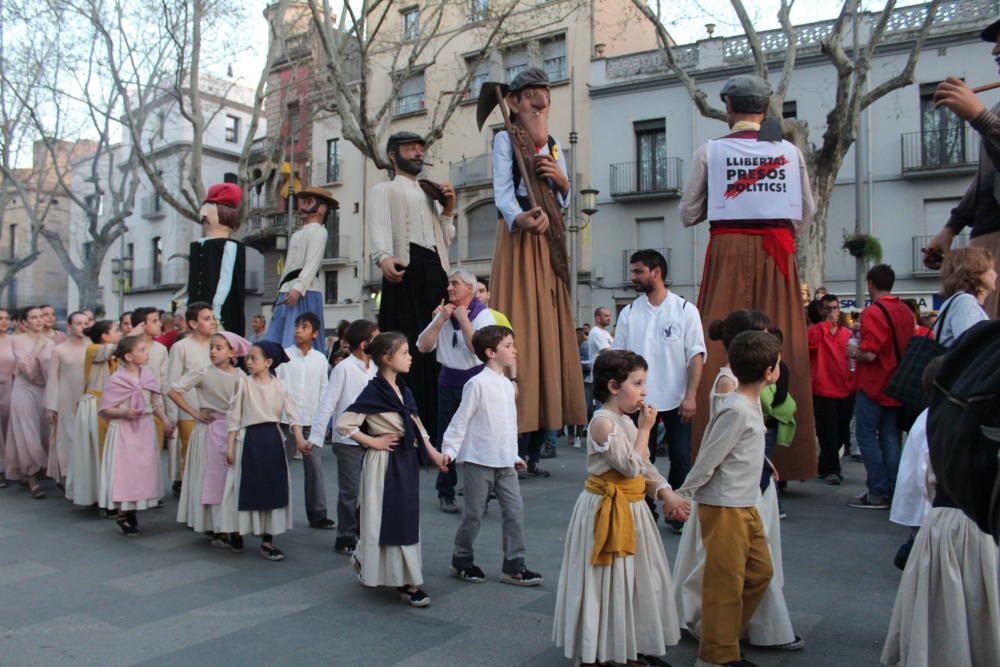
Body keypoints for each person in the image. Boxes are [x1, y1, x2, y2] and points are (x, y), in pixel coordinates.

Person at [680, 74, 817, 483]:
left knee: (720, 343)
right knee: (782, 343)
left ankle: (714, 449)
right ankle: (786, 461)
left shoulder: (710, 150)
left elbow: (688, 213)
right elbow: (805, 212)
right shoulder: (789, 152)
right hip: (777, 251)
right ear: (765, 107)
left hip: (727, 247)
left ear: (728, 107)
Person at [674, 311, 804, 655]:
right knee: (726, 583)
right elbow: (709, 456)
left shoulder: (745, 404)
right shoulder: (735, 407)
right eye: (777, 363)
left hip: (745, 502)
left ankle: (717, 631)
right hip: (726, 505)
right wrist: (681, 496)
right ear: (768, 373)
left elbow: (737, 447)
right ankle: (718, 653)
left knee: (758, 574)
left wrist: (762, 459)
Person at [552, 349, 687, 666]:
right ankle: (599, 650)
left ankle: (629, 644)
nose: (644, 391)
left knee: (635, 577)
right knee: (606, 577)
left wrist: (666, 494)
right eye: (638, 383)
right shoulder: (603, 423)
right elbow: (629, 466)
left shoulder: (625, 420)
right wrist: (645, 430)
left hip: (632, 508)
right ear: (614, 386)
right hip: (606, 510)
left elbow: (645, 467)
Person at [488, 67, 586, 473]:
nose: (538, 101)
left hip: (549, 242)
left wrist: (563, 183)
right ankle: (511, 446)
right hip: (520, 240)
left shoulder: (556, 144)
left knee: (546, 335)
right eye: (530, 95)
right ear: (513, 101)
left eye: (543, 94)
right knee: (520, 332)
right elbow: (502, 192)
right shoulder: (503, 139)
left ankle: (531, 449)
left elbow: (564, 199)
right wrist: (520, 218)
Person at [882, 364, 1000, 667]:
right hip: (971, 522)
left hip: (944, 521)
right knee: (972, 600)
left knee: (941, 602)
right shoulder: (974, 426)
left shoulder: (939, 422)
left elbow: (928, 480)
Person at [336, 333, 448, 607]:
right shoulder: (374, 391)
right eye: (405, 353)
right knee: (386, 519)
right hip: (383, 463)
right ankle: (407, 582)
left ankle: (373, 562)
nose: (410, 357)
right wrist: (373, 440)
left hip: (405, 461)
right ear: (387, 358)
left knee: (403, 517)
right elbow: (344, 424)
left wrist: (432, 452)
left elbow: (417, 425)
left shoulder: (403, 389)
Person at [368, 131, 456, 443]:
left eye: (420, 148)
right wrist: (383, 257)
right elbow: (377, 226)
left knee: (436, 352)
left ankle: (435, 430)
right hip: (405, 268)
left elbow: (444, 238)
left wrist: (447, 209)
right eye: (410, 148)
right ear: (393, 155)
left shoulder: (429, 192)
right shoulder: (384, 189)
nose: (418, 153)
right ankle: (405, 430)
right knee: (403, 349)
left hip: (435, 270)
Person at [441, 325, 542, 586]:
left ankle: (514, 566)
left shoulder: (507, 386)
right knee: (474, 514)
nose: (514, 350)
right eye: (508, 346)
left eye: (512, 344)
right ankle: (461, 560)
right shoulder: (476, 384)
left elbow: (509, 425)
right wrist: (449, 451)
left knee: (514, 511)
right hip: (478, 460)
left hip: (505, 462)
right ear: (490, 353)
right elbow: (460, 420)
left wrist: (514, 455)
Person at [612, 249, 706, 526]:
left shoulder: (685, 310)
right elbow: (618, 355)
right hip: (638, 402)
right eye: (633, 271)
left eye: (638, 271)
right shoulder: (630, 312)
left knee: (681, 459)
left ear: (657, 272)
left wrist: (691, 396)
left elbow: (696, 356)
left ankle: (677, 513)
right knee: (640, 458)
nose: (633, 277)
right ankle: (646, 514)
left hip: (677, 398)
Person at [925, 20, 1000, 320]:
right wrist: (952, 226)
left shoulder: (990, 115)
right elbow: (986, 177)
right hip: (985, 239)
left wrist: (980, 117)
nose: (995, 49)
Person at [416, 268, 496, 512]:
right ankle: (445, 491)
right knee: (446, 438)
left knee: (479, 438)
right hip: (448, 382)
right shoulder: (442, 313)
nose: (449, 288)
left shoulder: (483, 317)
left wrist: (463, 320)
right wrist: (440, 320)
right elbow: (422, 346)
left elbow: (481, 351)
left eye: (455, 284)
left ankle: (480, 492)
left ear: (469, 289)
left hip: (476, 384)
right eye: (449, 284)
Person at [221, 340, 304, 561]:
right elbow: (234, 417)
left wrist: (299, 438)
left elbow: (293, 413)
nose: (248, 361)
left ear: (268, 362)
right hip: (248, 439)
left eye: (253, 358)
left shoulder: (280, 386)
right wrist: (229, 447)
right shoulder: (244, 384)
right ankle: (236, 530)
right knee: (241, 486)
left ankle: (267, 539)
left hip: (272, 441)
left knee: (272, 488)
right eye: (247, 357)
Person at [308, 318, 379, 555]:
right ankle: (345, 536)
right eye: (375, 337)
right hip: (348, 439)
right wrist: (316, 438)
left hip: (373, 438)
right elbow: (328, 403)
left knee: (371, 489)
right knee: (350, 491)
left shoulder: (377, 368)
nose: (379, 341)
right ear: (362, 343)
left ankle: (360, 529)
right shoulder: (344, 368)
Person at [847, 265, 915, 509]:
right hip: (896, 383)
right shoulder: (906, 311)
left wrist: (853, 350)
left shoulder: (873, 312)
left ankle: (877, 490)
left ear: (871, 284)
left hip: (874, 382)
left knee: (866, 436)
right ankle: (895, 490)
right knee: (890, 437)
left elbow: (870, 354)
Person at [169, 332, 248, 539]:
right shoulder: (203, 372)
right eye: (211, 347)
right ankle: (211, 524)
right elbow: (174, 390)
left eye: (219, 347)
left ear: (232, 352)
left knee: (229, 478)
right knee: (208, 477)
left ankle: (229, 522)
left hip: (233, 431)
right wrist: (194, 412)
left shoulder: (241, 377)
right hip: (209, 429)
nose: (213, 351)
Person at [98, 336, 175, 535]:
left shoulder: (148, 376)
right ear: (129, 356)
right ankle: (124, 511)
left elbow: (156, 402)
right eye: (142, 350)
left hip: (145, 426)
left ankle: (135, 504)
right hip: (124, 428)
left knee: (143, 468)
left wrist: (165, 420)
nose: (146, 353)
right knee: (125, 470)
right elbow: (106, 408)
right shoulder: (117, 379)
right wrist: (124, 412)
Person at [276, 312, 333, 529]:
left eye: (305, 327)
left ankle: (317, 513)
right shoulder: (284, 356)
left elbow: (323, 390)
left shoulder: (320, 359)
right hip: (285, 421)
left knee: (315, 468)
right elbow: (278, 388)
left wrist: (322, 422)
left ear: (315, 333)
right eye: (297, 326)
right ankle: (274, 511)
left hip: (310, 422)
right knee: (280, 467)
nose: (298, 330)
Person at [264, 186, 336, 352]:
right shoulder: (298, 234)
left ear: (322, 208)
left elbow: (312, 262)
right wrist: (281, 290)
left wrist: (298, 287)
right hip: (288, 290)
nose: (302, 206)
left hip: (305, 291)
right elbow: (289, 266)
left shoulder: (319, 232)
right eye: (303, 201)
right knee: (277, 337)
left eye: (309, 202)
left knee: (297, 340)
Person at [67, 320, 121, 509]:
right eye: (116, 330)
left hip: (110, 404)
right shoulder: (94, 349)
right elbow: (105, 352)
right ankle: (98, 496)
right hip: (94, 405)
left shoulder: (115, 354)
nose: (120, 333)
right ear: (105, 336)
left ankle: (110, 495)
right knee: (97, 452)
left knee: (110, 451)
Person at [166, 302, 215, 495]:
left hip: (217, 414)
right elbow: (171, 385)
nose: (212, 322)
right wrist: (187, 413)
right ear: (193, 324)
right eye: (206, 318)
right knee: (191, 461)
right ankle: (191, 504)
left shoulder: (219, 344)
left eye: (212, 318)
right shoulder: (181, 347)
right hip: (189, 413)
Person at [5, 307, 55, 498]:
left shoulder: (50, 342)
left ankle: (42, 471)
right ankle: (32, 478)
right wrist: (38, 347)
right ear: (25, 322)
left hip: (44, 389)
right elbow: (26, 368)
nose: (39, 320)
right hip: (24, 389)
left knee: (45, 430)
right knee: (27, 432)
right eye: (33, 317)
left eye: (41, 316)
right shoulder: (17, 340)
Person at [187, 183, 246, 335]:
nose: (203, 213)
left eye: (210, 207)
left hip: (217, 311)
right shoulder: (199, 245)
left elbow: (225, 280)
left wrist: (216, 310)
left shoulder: (230, 246)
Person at [808, 294, 855, 485]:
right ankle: (832, 469)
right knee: (828, 431)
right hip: (822, 388)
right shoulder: (815, 330)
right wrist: (826, 325)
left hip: (845, 387)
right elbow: (811, 346)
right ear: (821, 310)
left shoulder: (846, 334)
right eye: (828, 308)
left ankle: (825, 465)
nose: (832, 312)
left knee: (841, 432)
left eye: (835, 308)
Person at [43, 311, 89, 487]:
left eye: (85, 323)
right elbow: (53, 379)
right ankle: (67, 478)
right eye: (78, 323)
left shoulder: (93, 346)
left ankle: (85, 481)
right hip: (66, 399)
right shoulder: (59, 350)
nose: (82, 327)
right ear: (69, 326)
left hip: (87, 398)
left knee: (85, 437)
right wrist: (51, 406)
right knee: (66, 438)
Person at [932, 246, 996, 347]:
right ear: (977, 272)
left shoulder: (959, 302)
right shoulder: (965, 303)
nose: (995, 274)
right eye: (991, 269)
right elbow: (972, 347)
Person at [586, 307, 614, 424]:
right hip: (599, 374)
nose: (609, 318)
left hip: (606, 373)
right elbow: (608, 351)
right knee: (601, 407)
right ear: (598, 318)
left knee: (606, 406)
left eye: (609, 315)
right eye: (606, 316)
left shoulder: (605, 332)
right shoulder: (596, 332)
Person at [0, 309, 13, 488]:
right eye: (0, 319)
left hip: (11, 388)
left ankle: (9, 466)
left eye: (5, 318)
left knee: (8, 427)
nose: (3, 321)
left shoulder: (14, 341)